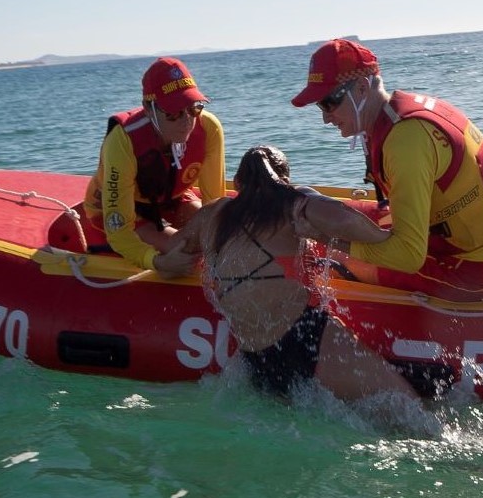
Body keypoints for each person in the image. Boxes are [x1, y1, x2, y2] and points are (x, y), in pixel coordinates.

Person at [154, 146, 422, 402]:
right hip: (305, 337)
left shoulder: (212, 214)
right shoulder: (291, 206)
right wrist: (386, 237)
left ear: (237, 183)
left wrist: (162, 264)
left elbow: (169, 258)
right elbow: (345, 220)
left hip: (254, 357)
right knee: (406, 407)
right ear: (285, 181)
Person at [290, 38, 483, 302]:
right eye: (319, 107)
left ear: (361, 88)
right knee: (318, 208)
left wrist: (324, 239)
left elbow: (408, 256)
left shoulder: (405, 141)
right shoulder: (395, 114)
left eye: (328, 103)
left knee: (338, 253)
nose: (325, 118)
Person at [80, 56, 226, 271]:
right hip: (127, 207)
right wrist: (156, 262)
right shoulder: (123, 140)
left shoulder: (209, 128)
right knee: (185, 251)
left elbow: (213, 203)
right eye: (174, 113)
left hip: (172, 198)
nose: (187, 120)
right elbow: (119, 231)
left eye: (193, 107)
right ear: (149, 109)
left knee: (225, 236)